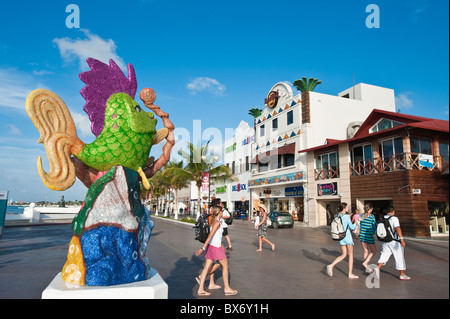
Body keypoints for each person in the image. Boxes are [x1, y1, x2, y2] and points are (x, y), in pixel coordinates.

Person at [195, 206, 238, 296]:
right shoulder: (217, 223)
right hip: (215, 248)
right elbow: (210, 235)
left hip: (211, 247)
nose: (223, 213)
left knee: (207, 268)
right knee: (225, 266)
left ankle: (201, 289)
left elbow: (216, 236)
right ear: (219, 212)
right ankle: (227, 288)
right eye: (222, 211)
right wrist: (202, 248)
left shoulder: (215, 221)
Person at [377, 206, 411, 280]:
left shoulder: (383, 218)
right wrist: (401, 239)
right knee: (399, 257)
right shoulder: (394, 218)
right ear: (393, 212)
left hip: (385, 240)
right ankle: (402, 274)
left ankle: (377, 269)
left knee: (384, 255)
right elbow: (397, 228)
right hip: (394, 241)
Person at [327, 202, 359, 279]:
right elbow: (351, 227)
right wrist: (357, 222)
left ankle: (331, 265)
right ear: (344, 208)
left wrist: (348, 216)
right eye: (347, 207)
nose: (348, 208)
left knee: (344, 254)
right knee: (350, 255)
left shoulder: (338, 215)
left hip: (341, 237)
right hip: (347, 237)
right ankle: (350, 273)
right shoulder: (346, 217)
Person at [359, 203, 377, 273]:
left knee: (365, 250)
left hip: (362, 235)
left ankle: (367, 267)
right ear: (370, 209)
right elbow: (374, 226)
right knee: (374, 251)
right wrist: (373, 232)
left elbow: (359, 224)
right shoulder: (372, 216)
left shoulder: (361, 216)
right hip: (368, 235)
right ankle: (366, 263)